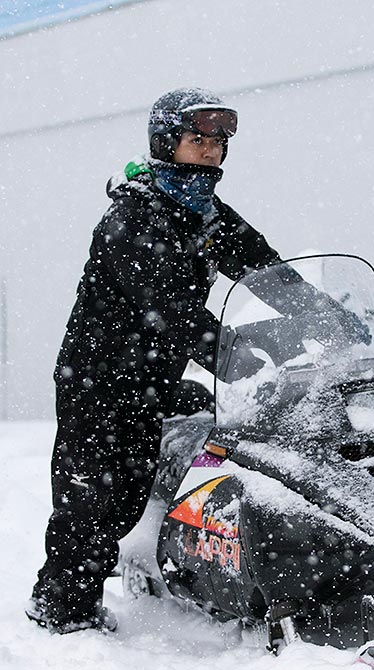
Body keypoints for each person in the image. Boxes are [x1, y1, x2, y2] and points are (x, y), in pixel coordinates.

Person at [26, 87, 282, 634]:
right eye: (198, 139)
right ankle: (61, 610)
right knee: (94, 505)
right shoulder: (134, 219)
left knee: (130, 492)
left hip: (150, 379)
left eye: (219, 141)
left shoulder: (206, 215)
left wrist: (327, 322)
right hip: (98, 381)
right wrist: (247, 359)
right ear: (167, 143)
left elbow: (268, 272)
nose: (212, 150)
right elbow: (175, 313)